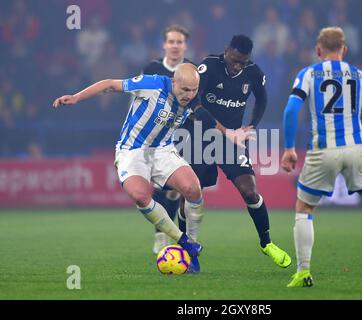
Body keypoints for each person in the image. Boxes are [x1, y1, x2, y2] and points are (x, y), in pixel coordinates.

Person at [52, 63, 252, 273]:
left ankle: (192, 249)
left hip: (163, 150)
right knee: (140, 196)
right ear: (174, 82)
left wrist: (229, 133)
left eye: (194, 90)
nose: (189, 95)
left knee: (193, 188)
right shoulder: (152, 84)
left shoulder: (192, 99)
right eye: (185, 90)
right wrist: (76, 97)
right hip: (132, 151)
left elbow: (206, 119)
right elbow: (110, 84)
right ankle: (182, 240)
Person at [281, 27, 362, 287]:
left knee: (305, 208)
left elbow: (290, 110)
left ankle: (304, 272)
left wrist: (289, 148)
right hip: (357, 149)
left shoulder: (307, 74)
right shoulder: (359, 75)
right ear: (344, 50)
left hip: (323, 150)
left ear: (318, 51)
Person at [179, 35, 292, 270]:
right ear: (226, 51)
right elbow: (194, 103)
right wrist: (224, 130)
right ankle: (187, 248)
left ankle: (266, 243)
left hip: (232, 141)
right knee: (190, 193)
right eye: (234, 60)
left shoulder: (253, 73)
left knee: (250, 191)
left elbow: (262, 100)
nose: (237, 66)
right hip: (200, 137)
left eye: (242, 62)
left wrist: (250, 126)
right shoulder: (208, 67)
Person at [142, 24, 194, 254]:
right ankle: (161, 232)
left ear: (185, 45)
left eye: (179, 42)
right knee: (159, 187)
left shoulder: (191, 71)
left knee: (175, 189)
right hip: (154, 135)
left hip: (181, 134)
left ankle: (166, 233)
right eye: (171, 41)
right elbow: (139, 99)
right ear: (164, 44)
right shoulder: (152, 68)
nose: (175, 46)